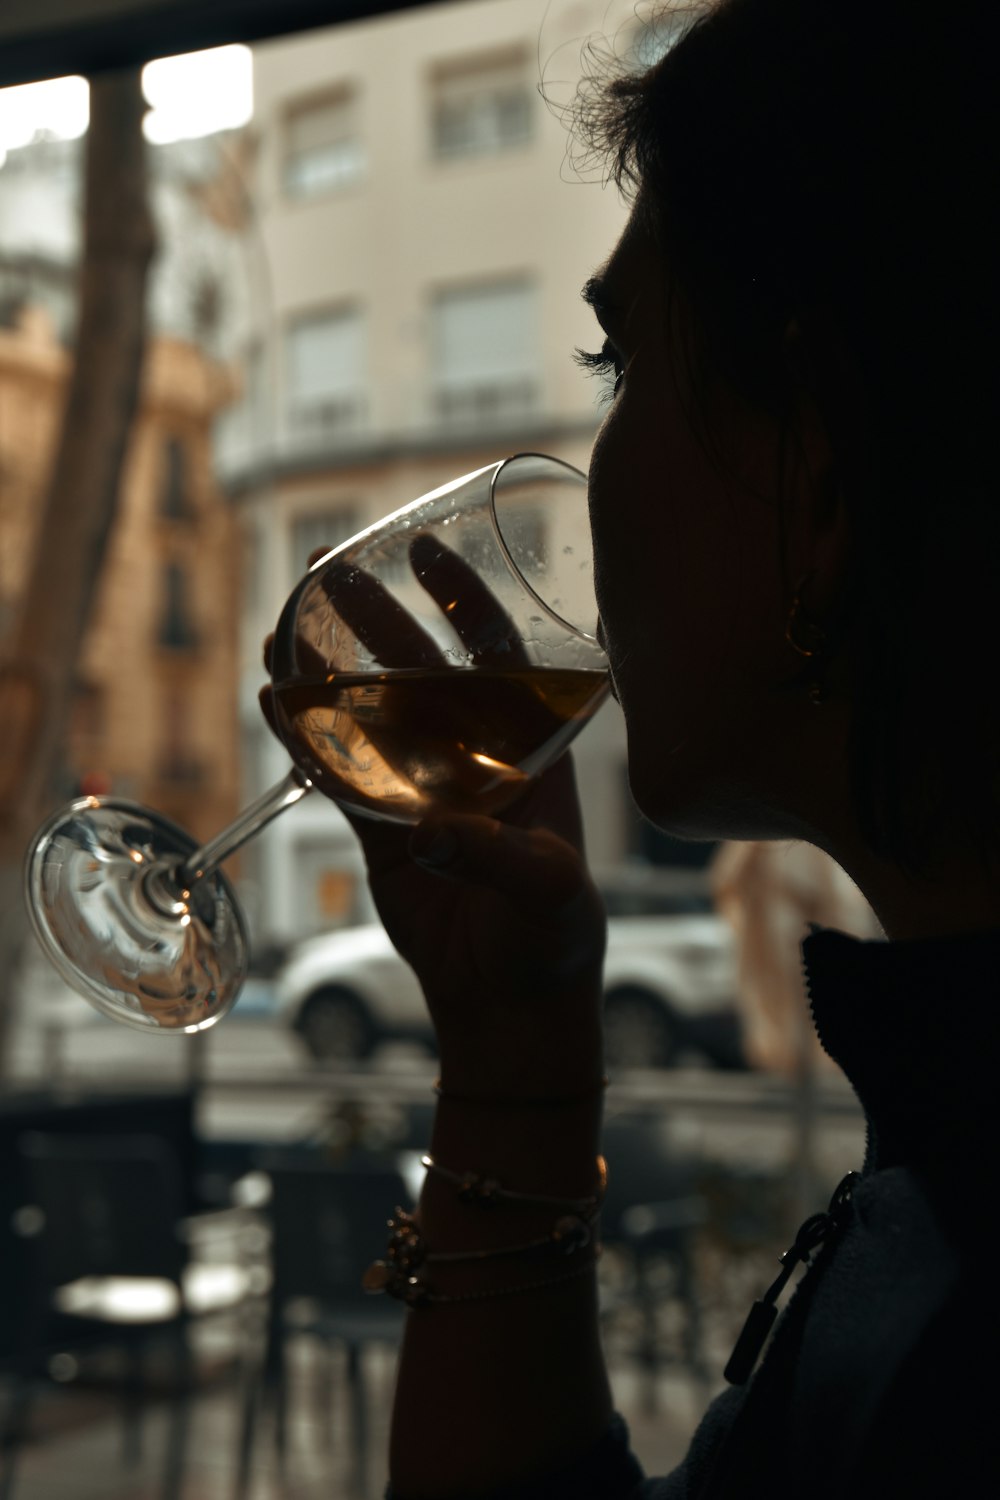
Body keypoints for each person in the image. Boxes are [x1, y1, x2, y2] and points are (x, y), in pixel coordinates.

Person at [264, 0, 998, 1493]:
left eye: (622, 365)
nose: (591, 480)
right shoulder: (948, 1134)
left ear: (822, 466)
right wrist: (516, 1075)